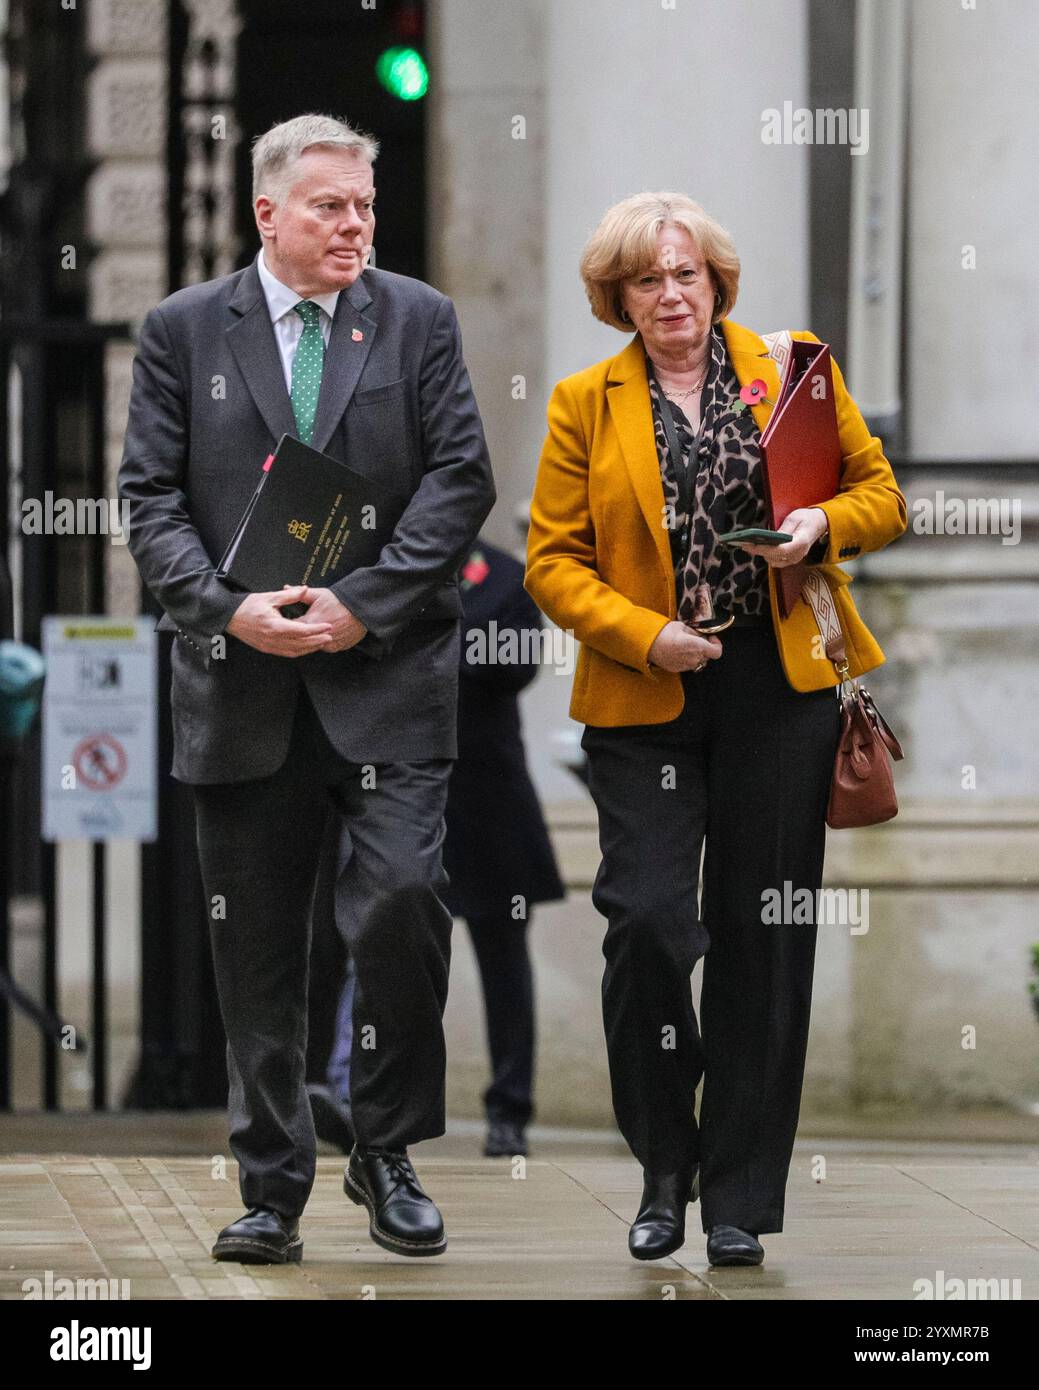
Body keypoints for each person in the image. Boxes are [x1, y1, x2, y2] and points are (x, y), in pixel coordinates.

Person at [118, 114, 495, 1263]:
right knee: (258, 949)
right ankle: (272, 1183)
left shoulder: (417, 318)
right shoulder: (182, 331)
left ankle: (385, 1148)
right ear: (267, 213)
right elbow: (148, 501)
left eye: (365, 205)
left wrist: (362, 601)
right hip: (240, 685)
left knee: (396, 905)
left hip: (387, 679)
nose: (354, 225)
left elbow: (460, 478)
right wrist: (227, 609)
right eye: (330, 205)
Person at [525, 192, 906, 1267]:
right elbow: (551, 562)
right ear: (619, 297)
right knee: (646, 923)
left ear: (715, 281)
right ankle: (662, 1165)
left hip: (775, 693)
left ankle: (737, 1194)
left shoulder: (790, 372)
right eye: (646, 279)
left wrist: (820, 523)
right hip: (647, 696)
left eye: (685, 274)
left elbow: (882, 495)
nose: (670, 294)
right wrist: (647, 635)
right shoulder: (579, 404)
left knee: (762, 939)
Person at [310, 537, 566, 1160]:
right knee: (370, 947)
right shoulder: (378, 567)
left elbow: (517, 663)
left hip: (488, 799)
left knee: (504, 960)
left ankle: (509, 1113)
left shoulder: (504, 575)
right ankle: (348, 1092)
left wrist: (414, 656)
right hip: (395, 792)